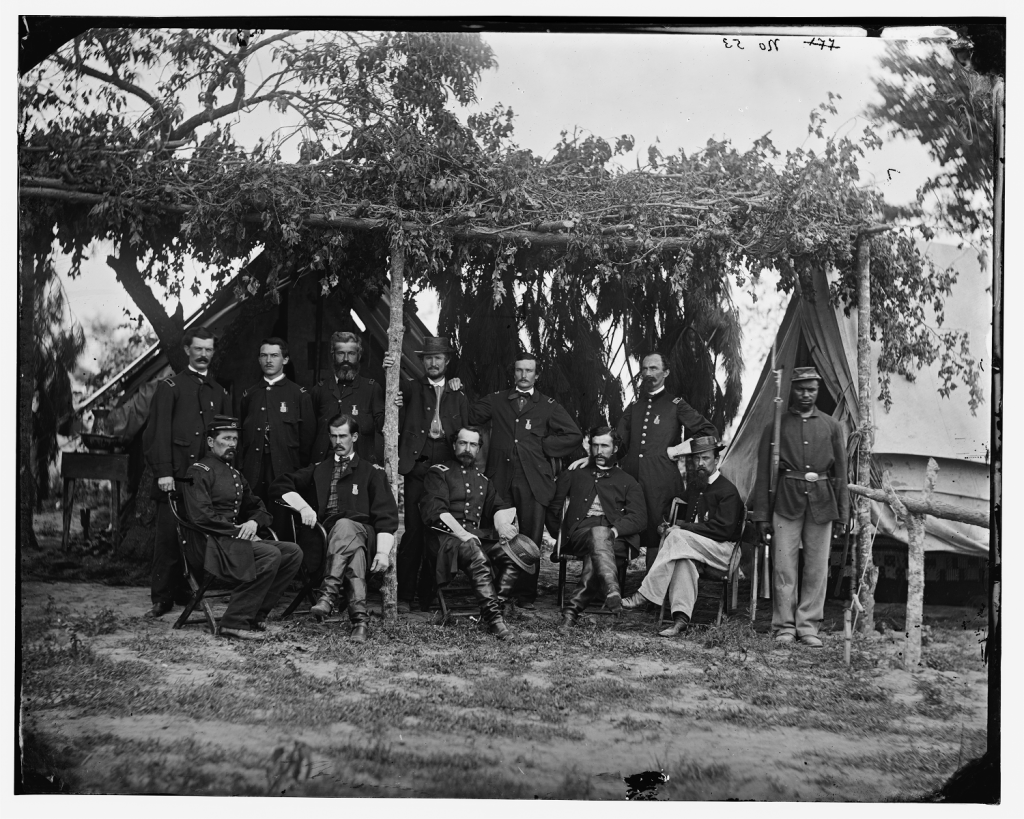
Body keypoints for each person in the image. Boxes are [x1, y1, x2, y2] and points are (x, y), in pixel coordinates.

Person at [271, 413, 398, 642]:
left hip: (363, 532)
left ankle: (328, 594)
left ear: (355, 437)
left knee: (346, 526)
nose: (337, 442)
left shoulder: (371, 472)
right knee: (354, 553)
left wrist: (382, 552)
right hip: (324, 540)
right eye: (333, 436)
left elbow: (386, 516)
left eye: (343, 436)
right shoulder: (319, 469)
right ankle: (359, 621)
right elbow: (280, 484)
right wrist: (303, 508)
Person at [469, 353, 583, 605]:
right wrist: (455, 390)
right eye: (519, 370)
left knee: (530, 537)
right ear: (514, 373)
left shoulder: (548, 405)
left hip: (534, 479)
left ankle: (525, 594)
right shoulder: (498, 400)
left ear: (536, 375)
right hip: (500, 478)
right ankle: (495, 590)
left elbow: (573, 434)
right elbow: (471, 415)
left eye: (529, 371)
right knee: (496, 532)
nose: (523, 375)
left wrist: (544, 446)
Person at [750, 367, 849, 648]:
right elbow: (763, 475)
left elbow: (841, 474)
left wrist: (843, 513)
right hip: (786, 501)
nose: (806, 394)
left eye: (812, 390)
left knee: (817, 568)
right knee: (784, 567)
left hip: (822, 502)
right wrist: (761, 515)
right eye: (801, 389)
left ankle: (808, 626)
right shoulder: (776, 426)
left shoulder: (832, 426)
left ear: (818, 391)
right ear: (791, 390)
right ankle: (784, 626)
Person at [181, 416, 303, 641]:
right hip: (209, 543)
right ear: (210, 442)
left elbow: (261, 508)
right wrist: (238, 531)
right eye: (226, 439)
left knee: (292, 552)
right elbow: (201, 517)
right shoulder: (198, 471)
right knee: (270, 554)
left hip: (232, 543)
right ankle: (234, 622)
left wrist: (253, 523)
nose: (232, 444)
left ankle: (255, 615)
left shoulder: (235, 474)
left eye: (235, 439)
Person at [144, 326, 231, 618]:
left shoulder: (219, 392)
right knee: (168, 536)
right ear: (187, 350)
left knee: (196, 537)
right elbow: (157, 434)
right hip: (175, 476)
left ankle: (184, 590)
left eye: (209, 349)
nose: (204, 354)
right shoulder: (170, 387)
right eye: (198, 349)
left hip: (202, 481)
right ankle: (161, 597)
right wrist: (164, 472)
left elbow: (224, 440)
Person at [420, 427, 537, 639]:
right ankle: (495, 620)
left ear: (479, 449)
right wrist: (463, 535)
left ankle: (491, 612)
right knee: (474, 550)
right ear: (454, 444)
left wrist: (502, 525)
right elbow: (436, 512)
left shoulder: (483, 480)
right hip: (445, 539)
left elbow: (499, 506)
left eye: (473, 445)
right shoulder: (438, 472)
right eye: (463, 443)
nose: (467, 448)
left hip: (474, 537)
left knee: (515, 554)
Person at [622, 436, 744, 636]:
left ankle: (644, 594)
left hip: (723, 552)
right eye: (696, 460)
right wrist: (667, 525)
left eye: (705, 458)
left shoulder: (727, 491)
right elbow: (676, 508)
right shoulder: (697, 486)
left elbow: (724, 531)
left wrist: (683, 528)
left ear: (717, 459)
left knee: (678, 538)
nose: (700, 464)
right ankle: (680, 620)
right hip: (694, 549)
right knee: (683, 560)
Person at [382, 337, 469, 613]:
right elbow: (390, 391)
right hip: (417, 467)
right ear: (422, 362)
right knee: (414, 531)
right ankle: (405, 594)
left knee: (439, 530)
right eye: (428, 358)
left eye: (438, 358)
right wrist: (386, 368)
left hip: (445, 470)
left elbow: (467, 431)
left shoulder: (458, 393)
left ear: (447, 361)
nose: (433, 363)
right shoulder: (410, 388)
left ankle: (429, 595)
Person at [615, 353, 718, 574]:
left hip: (661, 481)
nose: (648, 373)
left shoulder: (675, 405)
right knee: (623, 526)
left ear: (666, 372)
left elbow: (709, 432)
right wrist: (594, 457)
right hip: (631, 480)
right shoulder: (633, 407)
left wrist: (679, 450)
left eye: (654, 368)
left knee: (657, 532)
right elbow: (617, 445)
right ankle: (616, 586)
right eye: (644, 369)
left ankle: (652, 594)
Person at [546, 426, 647, 630]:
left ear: (615, 448)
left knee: (599, 545)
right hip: (580, 536)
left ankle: (571, 612)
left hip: (616, 540)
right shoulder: (575, 473)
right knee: (597, 537)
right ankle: (612, 588)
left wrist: (615, 531)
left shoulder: (628, 482)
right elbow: (553, 509)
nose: (599, 451)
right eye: (595, 445)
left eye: (604, 446)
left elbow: (639, 518)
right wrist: (562, 534)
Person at [239, 337, 315, 533]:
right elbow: (241, 437)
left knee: (283, 527)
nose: (268, 360)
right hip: (253, 471)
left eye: (274, 355)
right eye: (264, 355)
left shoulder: (299, 395)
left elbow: (307, 441)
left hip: (285, 472)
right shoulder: (250, 395)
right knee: (252, 521)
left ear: (286, 360)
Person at [311, 331, 385, 464]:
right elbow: (309, 433)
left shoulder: (372, 389)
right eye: (340, 353)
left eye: (351, 353)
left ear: (359, 355)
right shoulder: (319, 390)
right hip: (325, 465)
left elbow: (383, 427)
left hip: (361, 466)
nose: (346, 359)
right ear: (333, 355)